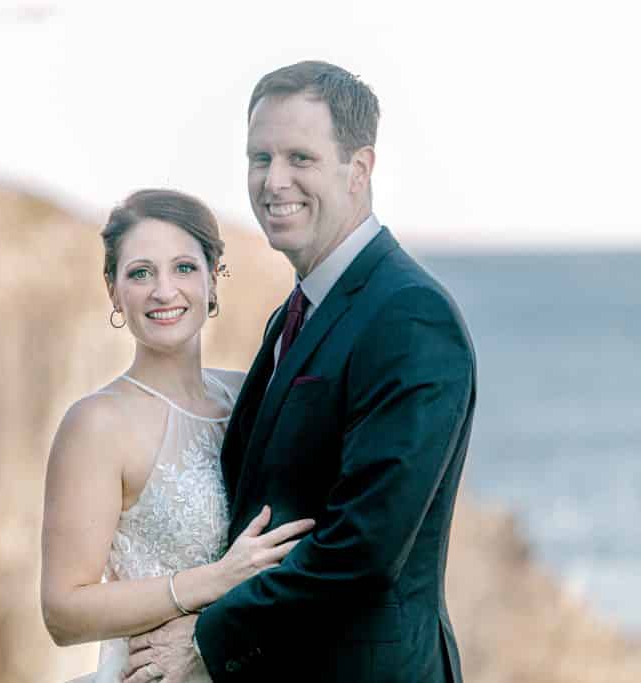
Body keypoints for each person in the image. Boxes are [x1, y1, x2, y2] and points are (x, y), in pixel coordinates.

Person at [123, 61, 477, 683]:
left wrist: (207, 638)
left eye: (300, 158)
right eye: (260, 158)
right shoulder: (294, 313)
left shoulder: (409, 317)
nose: (273, 181)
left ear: (359, 169)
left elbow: (364, 546)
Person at [40, 189, 315, 683]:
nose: (164, 291)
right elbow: (62, 612)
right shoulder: (97, 424)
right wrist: (214, 580)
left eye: (184, 268)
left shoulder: (251, 395)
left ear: (213, 279)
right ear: (113, 290)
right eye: (140, 272)